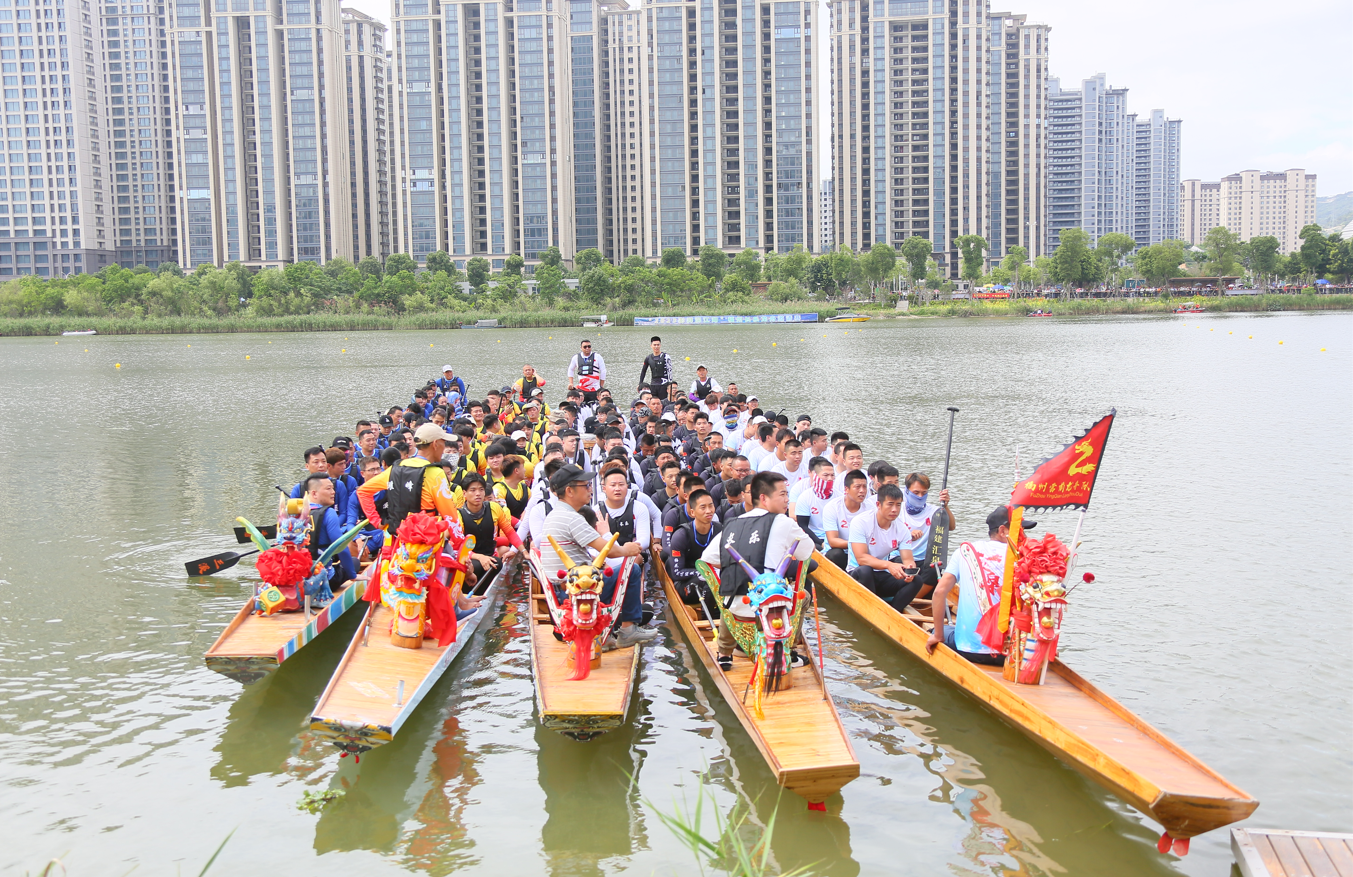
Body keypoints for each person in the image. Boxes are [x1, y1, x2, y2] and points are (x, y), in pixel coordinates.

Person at [699, 472, 813, 670]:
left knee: (729, 588)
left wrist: (734, 567)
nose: (787, 500)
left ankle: (724, 653)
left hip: (734, 606)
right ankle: (790, 651)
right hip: (769, 607)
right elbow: (806, 552)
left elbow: (706, 559)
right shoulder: (783, 522)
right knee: (804, 597)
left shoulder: (732, 523)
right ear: (764, 498)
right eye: (783, 494)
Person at [539, 464, 654, 649]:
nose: (590, 489)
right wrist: (628, 549)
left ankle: (604, 633)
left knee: (607, 569)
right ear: (569, 491)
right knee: (632, 569)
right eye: (585, 486)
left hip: (568, 586)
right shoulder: (572, 518)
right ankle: (628, 629)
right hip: (580, 591)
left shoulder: (556, 514)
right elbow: (610, 550)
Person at [925, 505, 1036, 666]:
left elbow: (939, 593)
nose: (1024, 536)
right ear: (1003, 530)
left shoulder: (964, 551)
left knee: (936, 630)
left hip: (968, 650)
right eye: (1020, 530)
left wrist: (938, 636)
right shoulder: (1024, 557)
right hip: (1011, 653)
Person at [357, 423, 462, 534]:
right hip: (425, 538)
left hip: (398, 539)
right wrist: (459, 542)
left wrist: (377, 521)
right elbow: (450, 515)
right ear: (435, 444)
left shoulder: (395, 468)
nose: (444, 447)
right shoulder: (436, 473)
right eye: (443, 442)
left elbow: (363, 491)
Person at [847, 484, 921, 612]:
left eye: (898, 505)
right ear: (878, 505)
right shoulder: (861, 522)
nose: (894, 510)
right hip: (858, 574)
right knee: (865, 570)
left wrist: (910, 571)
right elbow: (861, 558)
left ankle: (893, 613)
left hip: (881, 574)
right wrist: (888, 565)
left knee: (917, 580)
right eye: (890, 504)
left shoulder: (902, 529)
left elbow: (908, 559)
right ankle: (871, 611)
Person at [667, 488, 723, 621]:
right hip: (687, 584)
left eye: (711, 506)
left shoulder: (720, 529)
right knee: (707, 579)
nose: (709, 511)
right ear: (692, 512)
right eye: (703, 507)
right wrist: (703, 572)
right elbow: (677, 573)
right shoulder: (681, 535)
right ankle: (708, 620)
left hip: (715, 579)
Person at [898, 472, 955, 600]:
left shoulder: (934, 511)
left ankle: (913, 600)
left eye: (924, 493)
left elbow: (950, 527)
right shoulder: (897, 510)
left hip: (923, 559)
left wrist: (945, 506)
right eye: (916, 492)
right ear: (906, 491)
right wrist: (907, 535)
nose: (920, 496)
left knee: (936, 567)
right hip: (900, 556)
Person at [300, 472, 356, 590]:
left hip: (298, 578)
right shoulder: (329, 513)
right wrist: (353, 575)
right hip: (324, 580)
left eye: (333, 488)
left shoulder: (295, 512)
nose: (333, 492)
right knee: (355, 562)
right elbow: (341, 548)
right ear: (314, 493)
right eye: (328, 489)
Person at [458, 474, 518, 583]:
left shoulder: (494, 508)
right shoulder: (458, 515)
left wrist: (523, 551)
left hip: (490, 554)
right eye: (473, 490)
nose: (478, 494)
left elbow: (509, 532)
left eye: (481, 490)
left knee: (496, 563)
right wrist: (479, 557)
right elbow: (456, 548)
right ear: (464, 493)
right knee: (474, 566)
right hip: (469, 558)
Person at [822, 469, 868, 568]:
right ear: (846, 489)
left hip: (861, 552)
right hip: (840, 552)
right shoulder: (832, 507)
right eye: (857, 487)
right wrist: (856, 544)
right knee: (836, 554)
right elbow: (833, 541)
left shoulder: (871, 509)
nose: (862, 490)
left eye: (864, 486)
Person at [791, 456, 835, 550]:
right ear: (816, 475)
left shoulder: (839, 496)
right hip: (815, 537)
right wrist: (821, 543)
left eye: (832, 475)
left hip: (833, 537)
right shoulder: (805, 497)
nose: (830, 479)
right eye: (825, 475)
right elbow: (802, 525)